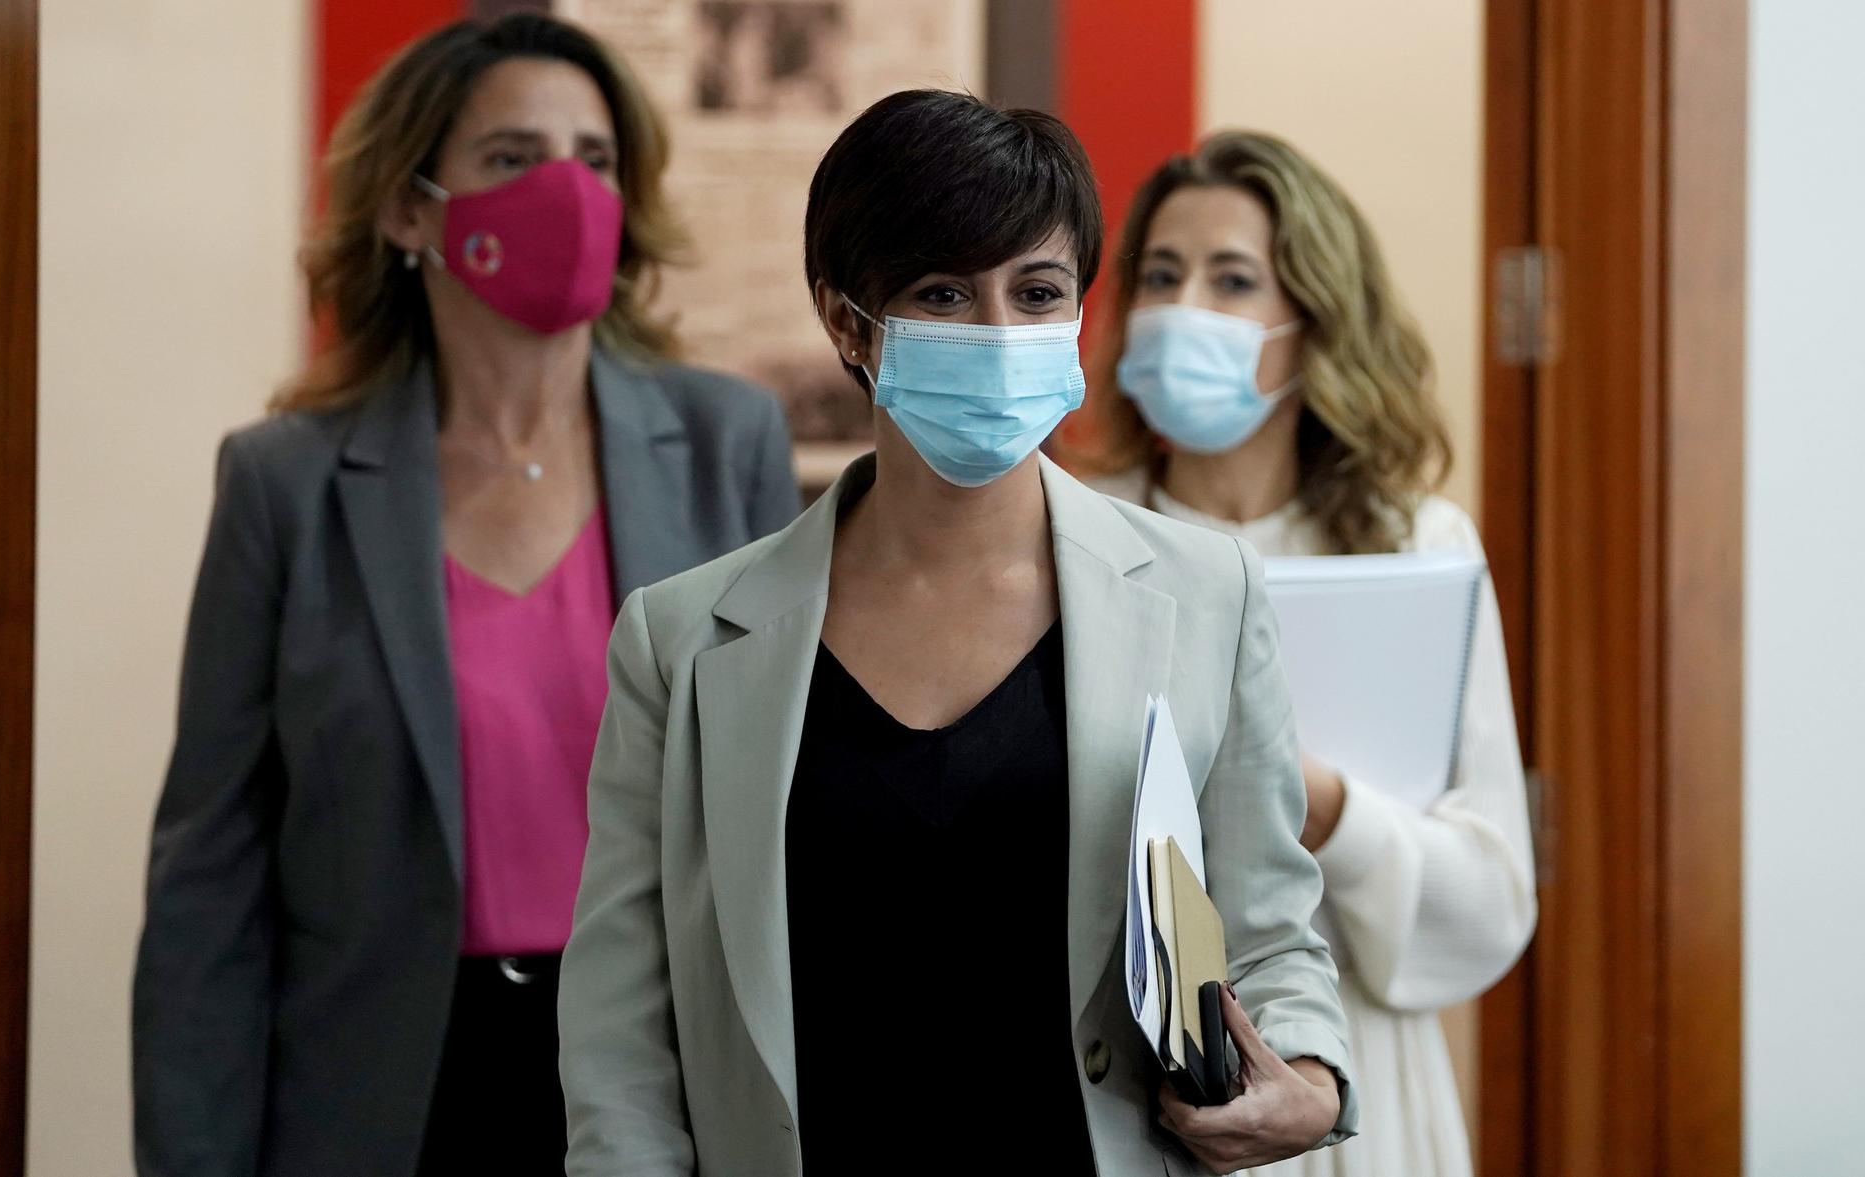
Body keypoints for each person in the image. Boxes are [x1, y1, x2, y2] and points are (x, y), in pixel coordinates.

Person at [557, 90, 1357, 1177]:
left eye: (1036, 293)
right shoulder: (682, 640)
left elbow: (1266, 924)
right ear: (848, 321)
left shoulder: (1202, 594)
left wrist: (1309, 1081)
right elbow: (622, 1032)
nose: (998, 333)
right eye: (941, 293)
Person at [131, 14, 801, 1177]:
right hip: (383, 1097)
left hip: (658, 1079)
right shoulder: (283, 486)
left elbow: (790, 808)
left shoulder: (722, 443)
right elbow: (208, 884)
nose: (567, 193)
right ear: (408, 208)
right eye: (511, 158)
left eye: (594, 162)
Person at [1064, 129, 1537, 1177]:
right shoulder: (1077, 545)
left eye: (1232, 279)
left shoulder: (1415, 546)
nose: (1187, 306)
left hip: (1359, 1101)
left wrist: (1320, 806)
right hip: (1135, 1099)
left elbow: (1490, 902)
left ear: (1315, 324)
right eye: (1159, 275)